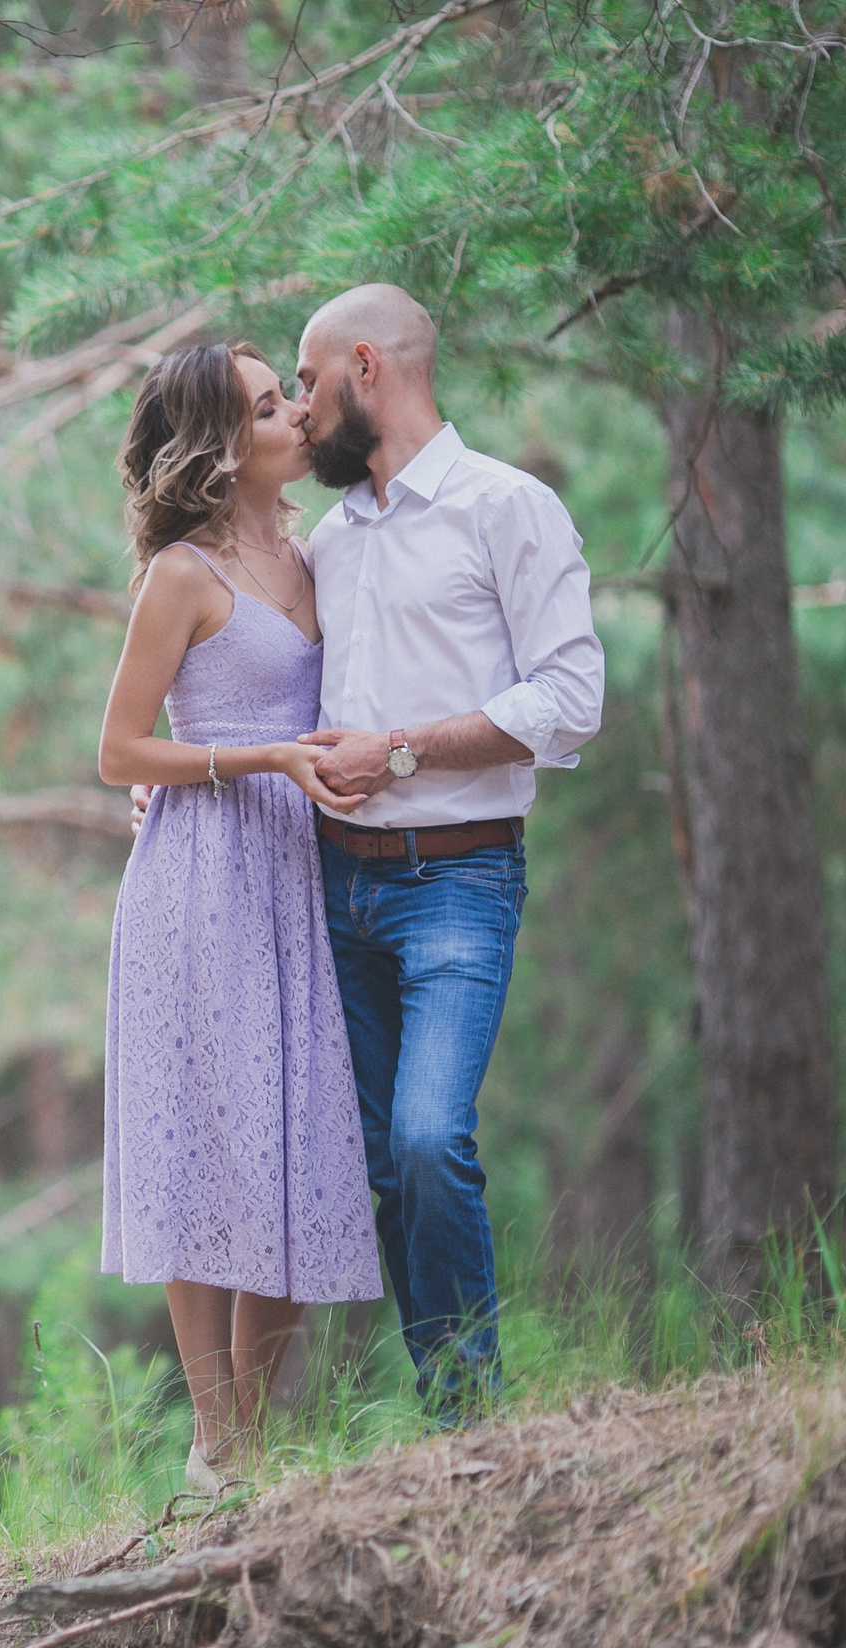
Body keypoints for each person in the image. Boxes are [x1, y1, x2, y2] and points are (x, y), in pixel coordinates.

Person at [289, 283, 606, 1417]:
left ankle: (474, 1407)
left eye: (307, 380)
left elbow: (573, 698)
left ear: (366, 366)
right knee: (380, 1165)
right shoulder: (327, 539)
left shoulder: (505, 507)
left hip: (461, 883)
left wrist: (404, 754)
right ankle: (451, 1425)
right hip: (335, 886)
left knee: (429, 1139)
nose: (296, 408)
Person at [96, 341, 384, 1495]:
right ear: (224, 446)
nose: (298, 415)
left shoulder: (316, 555)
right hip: (200, 881)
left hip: (298, 881)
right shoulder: (182, 573)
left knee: (291, 1145)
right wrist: (258, 755)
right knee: (203, 1148)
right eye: (271, 406)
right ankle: (213, 1440)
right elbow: (118, 749)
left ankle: (255, 1448)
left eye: (290, 397)